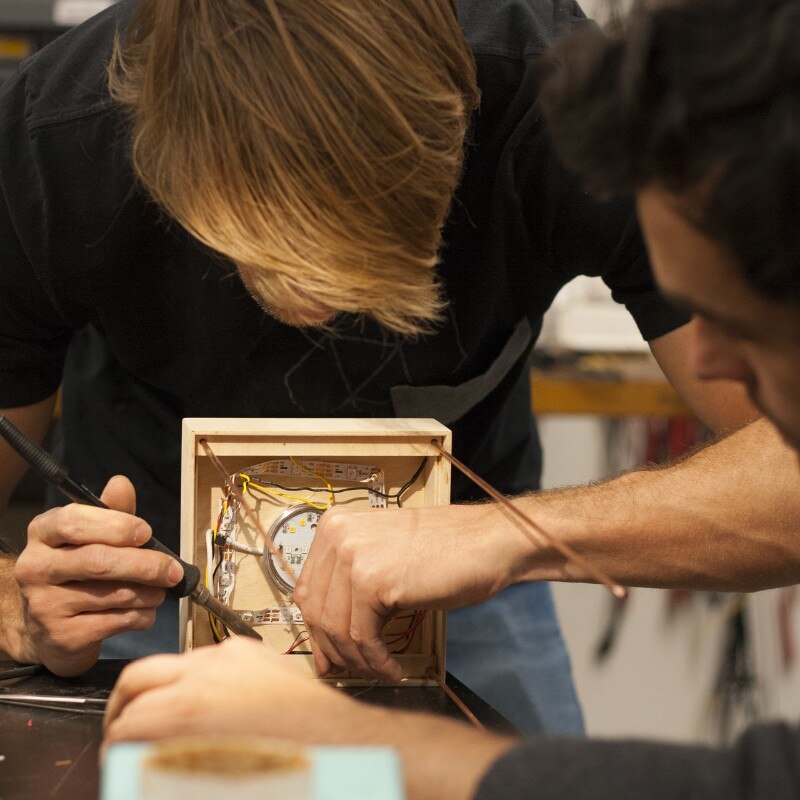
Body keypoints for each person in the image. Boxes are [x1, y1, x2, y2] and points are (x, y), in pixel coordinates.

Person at [0, 0, 756, 737]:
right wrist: (19, 607)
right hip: (152, 583)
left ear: (456, 137)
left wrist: (510, 537)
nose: (310, 302)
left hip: (464, 580)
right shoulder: (56, 136)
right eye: (262, 251)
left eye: (351, 264)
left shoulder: (563, 101)